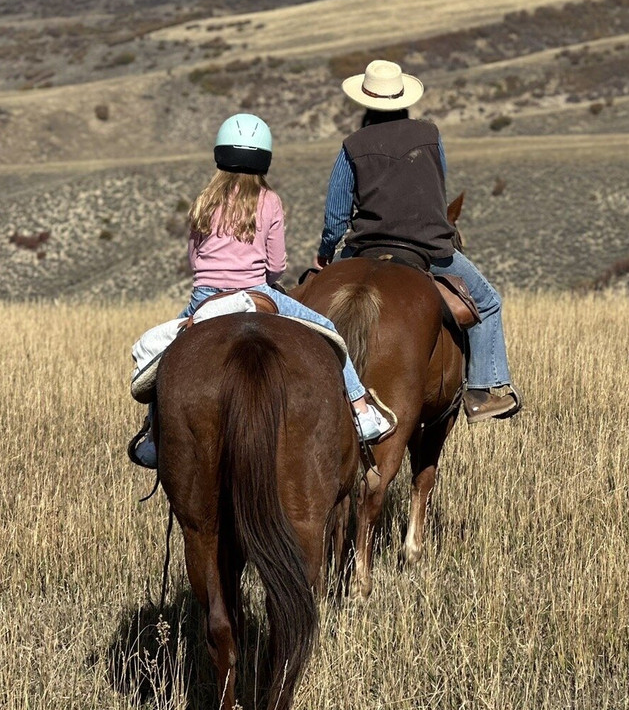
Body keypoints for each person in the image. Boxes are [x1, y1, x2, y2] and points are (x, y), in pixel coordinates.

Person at [129, 113, 394, 468]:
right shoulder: (269, 200)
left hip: (204, 297)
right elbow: (276, 265)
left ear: (220, 153)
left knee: (166, 358)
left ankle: (154, 435)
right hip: (257, 292)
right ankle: (361, 412)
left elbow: (195, 259)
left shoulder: (203, 201)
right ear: (264, 158)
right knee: (329, 331)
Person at [314, 60, 521, 424]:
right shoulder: (429, 135)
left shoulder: (352, 145)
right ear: (403, 98)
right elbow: (436, 188)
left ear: (366, 101)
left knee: (308, 305)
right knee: (488, 303)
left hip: (364, 246)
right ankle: (481, 393)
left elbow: (336, 216)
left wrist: (325, 254)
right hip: (429, 248)